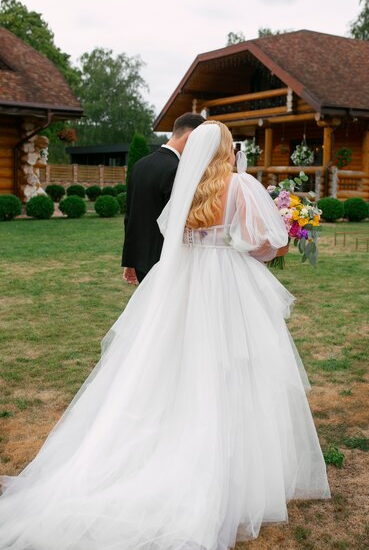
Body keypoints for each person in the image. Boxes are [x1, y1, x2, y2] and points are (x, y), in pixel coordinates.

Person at [0, 121, 330, 550]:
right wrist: (282, 235)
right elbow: (265, 243)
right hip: (226, 282)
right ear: (228, 150)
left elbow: (167, 232)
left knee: (176, 361)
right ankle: (231, 466)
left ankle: (168, 442)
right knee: (233, 366)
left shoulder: (186, 186)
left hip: (184, 280)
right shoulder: (241, 185)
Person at [122, 112, 205, 285]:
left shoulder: (139, 165)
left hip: (140, 260)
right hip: (166, 263)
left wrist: (130, 260)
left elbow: (130, 216)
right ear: (190, 137)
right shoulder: (178, 170)